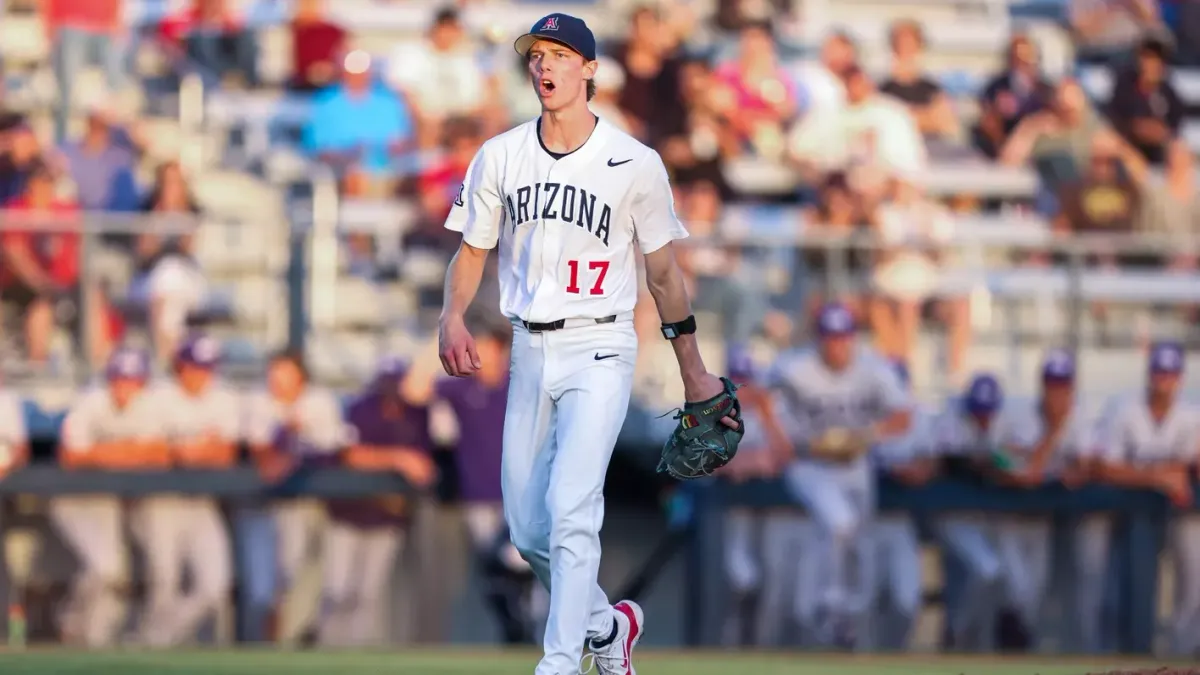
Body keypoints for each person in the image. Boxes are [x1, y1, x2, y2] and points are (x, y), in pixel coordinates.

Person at [436, 13, 738, 675]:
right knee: (527, 530)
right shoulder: (501, 153)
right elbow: (471, 249)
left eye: (562, 54)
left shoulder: (634, 162)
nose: (546, 66)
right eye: (537, 55)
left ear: (592, 69)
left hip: (602, 345)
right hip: (528, 346)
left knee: (573, 505)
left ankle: (562, 659)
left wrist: (693, 369)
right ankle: (608, 622)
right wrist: (451, 316)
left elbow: (661, 272)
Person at [766, 303, 911, 648]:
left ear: (852, 339)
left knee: (858, 541)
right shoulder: (794, 367)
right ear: (819, 339)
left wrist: (866, 436)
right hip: (808, 464)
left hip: (855, 466)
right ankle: (829, 607)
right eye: (830, 338)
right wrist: (781, 439)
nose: (837, 346)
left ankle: (843, 621)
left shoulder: (873, 368)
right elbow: (757, 396)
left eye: (843, 338)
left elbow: (903, 416)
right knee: (839, 523)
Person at [53, 347, 167, 647]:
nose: (125, 387)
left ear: (142, 382)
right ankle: (70, 620)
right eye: (119, 379)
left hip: (106, 501)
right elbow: (70, 455)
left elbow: (157, 454)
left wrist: (100, 454)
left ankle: (92, 638)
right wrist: (127, 451)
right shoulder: (91, 401)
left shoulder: (148, 405)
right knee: (104, 568)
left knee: (114, 572)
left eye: (132, 380)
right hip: (73, 500)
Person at [320, 358, 436, 647]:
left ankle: (354, 658)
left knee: (367, 594)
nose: (392, 392)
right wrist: (397, 458)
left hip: (389, 517)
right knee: (337, 590)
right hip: (349, 513)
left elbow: (426, 468)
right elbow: (351, 455)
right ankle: (326, 653)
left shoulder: (418, 414)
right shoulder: (362, 408)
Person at [1094, 341, 1200, 656]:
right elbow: (1106, 467)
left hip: (1182, 510)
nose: (1163, 380)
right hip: (1128, 514)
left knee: (1194, 582)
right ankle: (1120, 653)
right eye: (1158, 372)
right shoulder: (1124, 408)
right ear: (1148, 374)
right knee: (1120, 587)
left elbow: (1192, 467)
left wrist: (1169, 472)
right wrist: (1160, 476)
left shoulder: (1191, 414)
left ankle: (1184, 654)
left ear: (1179, 376)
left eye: (1169, 373)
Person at [135, 335, 238, 646]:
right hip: (161, 502)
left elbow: (225, 452)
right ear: (180, 366)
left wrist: (183, 449)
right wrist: (195, 448)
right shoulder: (158, 397)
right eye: (194, 366)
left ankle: (152, 640)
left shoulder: (223, 398)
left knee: (216, 585)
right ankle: (152, 648)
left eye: (206, 368)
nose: (200, 375)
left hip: (201, 503)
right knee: (163, 580)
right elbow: (151, 452)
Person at [986, 349, 1092, 649]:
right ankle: (995, 648)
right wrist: (1054, 431)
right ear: (1041, 385)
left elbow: (1085, 466)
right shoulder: (1016, 414)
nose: (1057, 392)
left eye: (1063, 385)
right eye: (1051, 384)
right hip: (1008, 515)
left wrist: (1072, 469)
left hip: (1041, 520)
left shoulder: (1079, 414)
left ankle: (1016, 653)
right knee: (1014, 586)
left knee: (1034, 591)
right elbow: (1025, 472)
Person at [243, 349, 346, 643]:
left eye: (286, 374)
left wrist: (291, 450)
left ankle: (300, 637)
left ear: (301, 376)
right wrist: (288, 439)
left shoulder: (319, 401)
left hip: (314, 504)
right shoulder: (258, 400)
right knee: (267, 587)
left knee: (315, 577)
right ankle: (268, 646)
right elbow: (264, 461)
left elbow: (332, 451)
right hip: (263, 505)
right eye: (275, 374)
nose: (279, 381)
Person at [930, 373, 1006, 651]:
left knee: (972, 579)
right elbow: (946, 462)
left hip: (984, 518)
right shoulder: (950, 419)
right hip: (949, 516)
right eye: (977, 411)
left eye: (987, 412)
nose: (982, 417)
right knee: (985, 569)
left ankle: (966, 639)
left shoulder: (1004, 422)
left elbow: (1011, 462)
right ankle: (957, 634)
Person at [868, 360, 936, 650]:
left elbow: (931, 464)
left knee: (907, 602)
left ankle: (892, 660)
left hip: (900, 522)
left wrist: (911, 471)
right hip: (864, 522)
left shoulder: (918, 418)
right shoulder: (860, 413)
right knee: (860, 603)